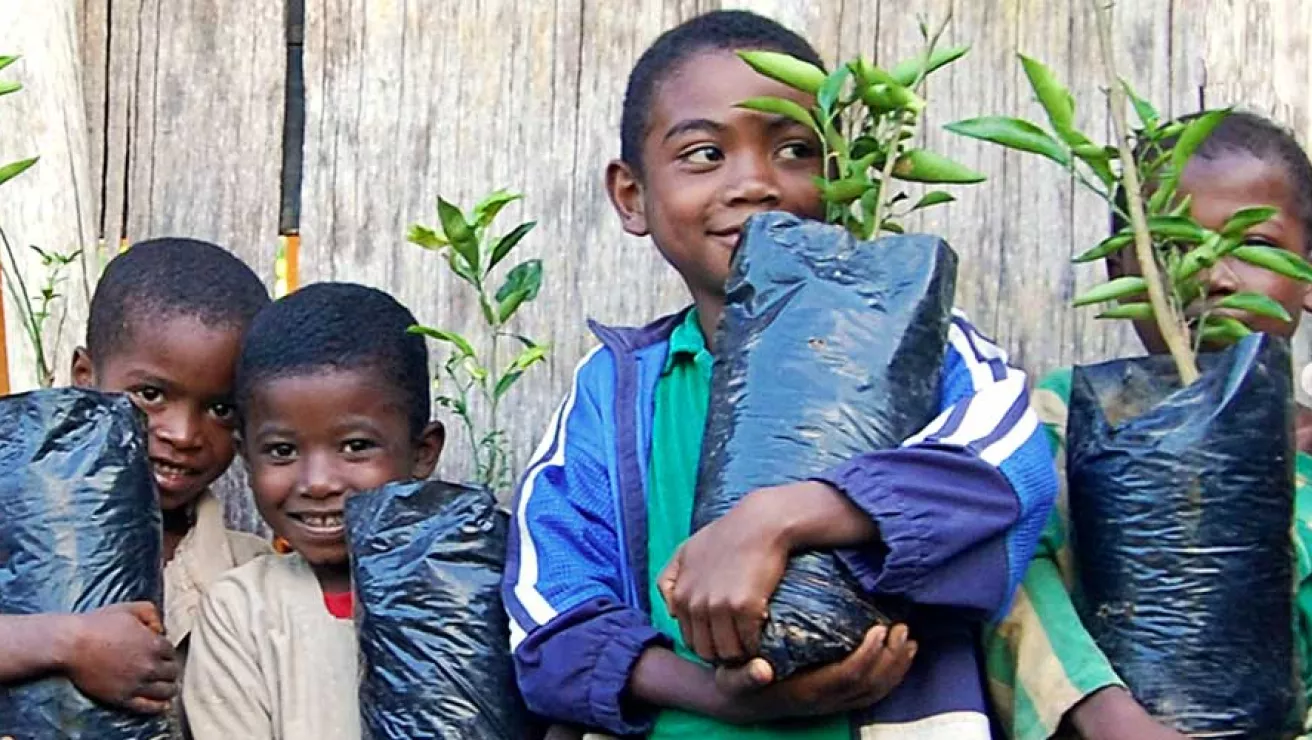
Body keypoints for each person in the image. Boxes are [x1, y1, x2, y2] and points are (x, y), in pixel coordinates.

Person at [503, 10, 1059, 738]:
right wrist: (722, 694)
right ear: (632, 196)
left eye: (796, 149)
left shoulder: (923, 347)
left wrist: (781, 517)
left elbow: (1008, 476)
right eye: (703, 153)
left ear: (840, 179)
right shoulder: (617, 391)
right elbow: (550, 621)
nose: (755, 183)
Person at [984, 110, 1312, 740]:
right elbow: (1016, 565)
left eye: (1254, 244)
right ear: (1120, 272)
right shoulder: (1067, 417)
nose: (1211, 277)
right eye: (1171, 247)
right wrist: (1100, 710)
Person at [0, 237, 272, 717]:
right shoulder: (20, 533)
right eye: (150, 394)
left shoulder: (256, 574)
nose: (184, 434)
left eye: (221, 408)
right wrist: (68, 642)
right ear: (84, 376)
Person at [182, 282, 444, 739]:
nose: (318, 482)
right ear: (246, 456)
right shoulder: (242, 612)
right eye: (282, 450)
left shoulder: (467, 587)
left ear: (423, 451)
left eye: (356, 447)